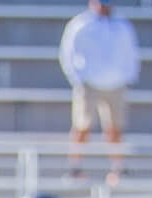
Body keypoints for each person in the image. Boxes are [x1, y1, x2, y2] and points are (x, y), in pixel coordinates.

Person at [59, 0, 140, 184]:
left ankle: (118, 168)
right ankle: (75, 167)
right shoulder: (80, 24)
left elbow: (131, 53)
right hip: (89, 83)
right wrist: (79, 78)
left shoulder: (122, 25)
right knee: (82, 125)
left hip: (116, 83)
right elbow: (68, 53)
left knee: (115, 128)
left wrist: (128, 77)